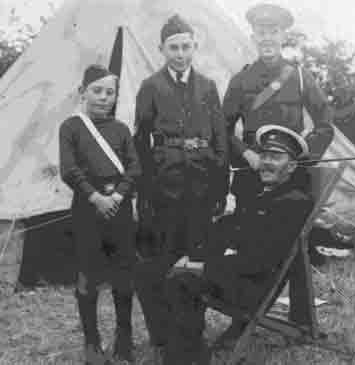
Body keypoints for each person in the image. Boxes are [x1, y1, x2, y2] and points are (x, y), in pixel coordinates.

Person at [163, 125, 314, 365]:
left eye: (275, 157)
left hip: (253, 286)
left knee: (181, 281)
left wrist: (203, 266)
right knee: (161, 271)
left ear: (292, 166)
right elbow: (226, 231)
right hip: (238, 275)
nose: (266, 163)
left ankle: (188, 357)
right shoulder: (263, 194)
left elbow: (260, 261)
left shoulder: (292, 203)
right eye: (264, 156)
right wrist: (196, 255)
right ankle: (182, 347)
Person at [133, 13, 228, 360]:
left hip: (201, 188)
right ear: (161, 49)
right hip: (165, 188)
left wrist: (221, 187)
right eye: (173, 47)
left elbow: (219, 138)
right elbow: (141, 140)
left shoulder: (207, 86)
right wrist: (145, 194)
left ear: (195, 46)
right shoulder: (151, 87)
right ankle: (164, 336)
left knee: (196, 262)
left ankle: (193, 335)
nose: (180, 54)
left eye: (186, 46)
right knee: (162, 261)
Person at [59, 64, 141, 364]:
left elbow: (135, 167)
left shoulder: (120, 130)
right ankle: (92, 343)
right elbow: (69, 169)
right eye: (97, 91)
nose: (103, 98)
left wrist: (118, 195)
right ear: (83, 93)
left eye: (109, 92)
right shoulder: (71, 127)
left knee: (123, 276)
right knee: (88, 277)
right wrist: (95, 197)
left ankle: (124, 340)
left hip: (119, 209)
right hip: (86, 209)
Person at [223, 2, 334, 205]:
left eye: (273, 32)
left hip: (291, 178)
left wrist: (299, 158)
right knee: (247, 232)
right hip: (252, 171)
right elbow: (222, 129)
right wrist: (247, 154)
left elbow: (325, 124)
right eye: (261, 33)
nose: (267, 39)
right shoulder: (240, 80)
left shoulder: (300, 76)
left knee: (288, 232)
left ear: (283, 37)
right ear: (253, 38)